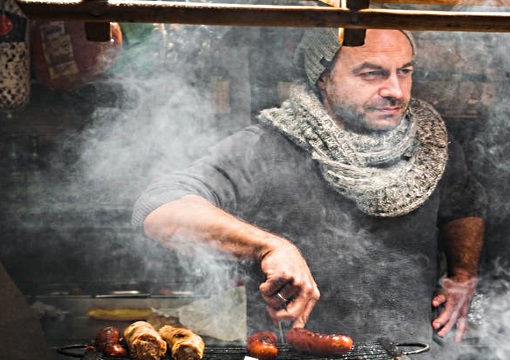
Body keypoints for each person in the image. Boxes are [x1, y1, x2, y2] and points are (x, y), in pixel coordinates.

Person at [132, 28, 486, 356]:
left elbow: (462, 204)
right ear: (323, 79)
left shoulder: (432, 145)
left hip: (413, 350)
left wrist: (463, 273)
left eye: (404, 71)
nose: (396, 90)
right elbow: (159, 207)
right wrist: (269, 246)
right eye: (372, 74)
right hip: (295, 352)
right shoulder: (264, 148)